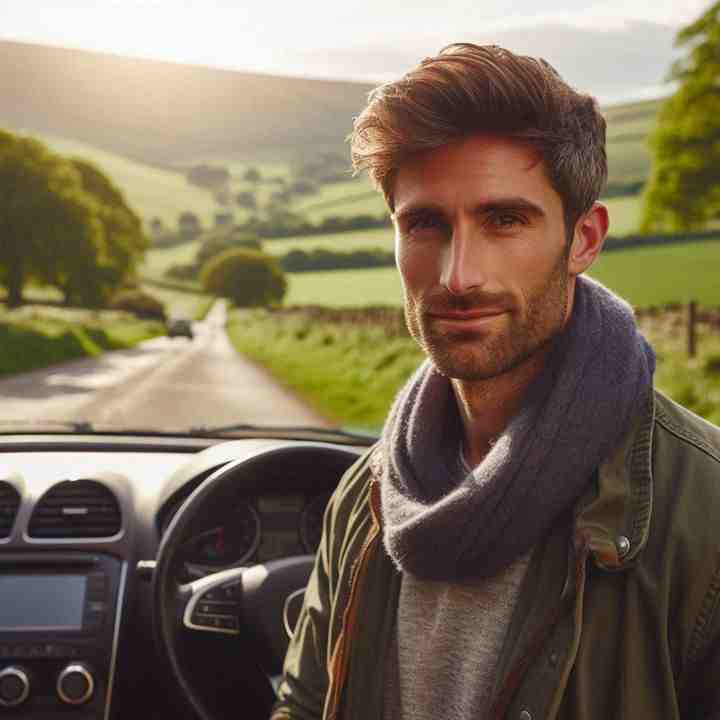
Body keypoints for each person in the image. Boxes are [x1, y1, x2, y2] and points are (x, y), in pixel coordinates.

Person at [270, 44, 720, 720]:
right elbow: (305, 705)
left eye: (504, 220)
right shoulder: (365, 497)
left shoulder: (705, 514)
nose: (458, 276)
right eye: (425, 223)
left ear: (584, 239)